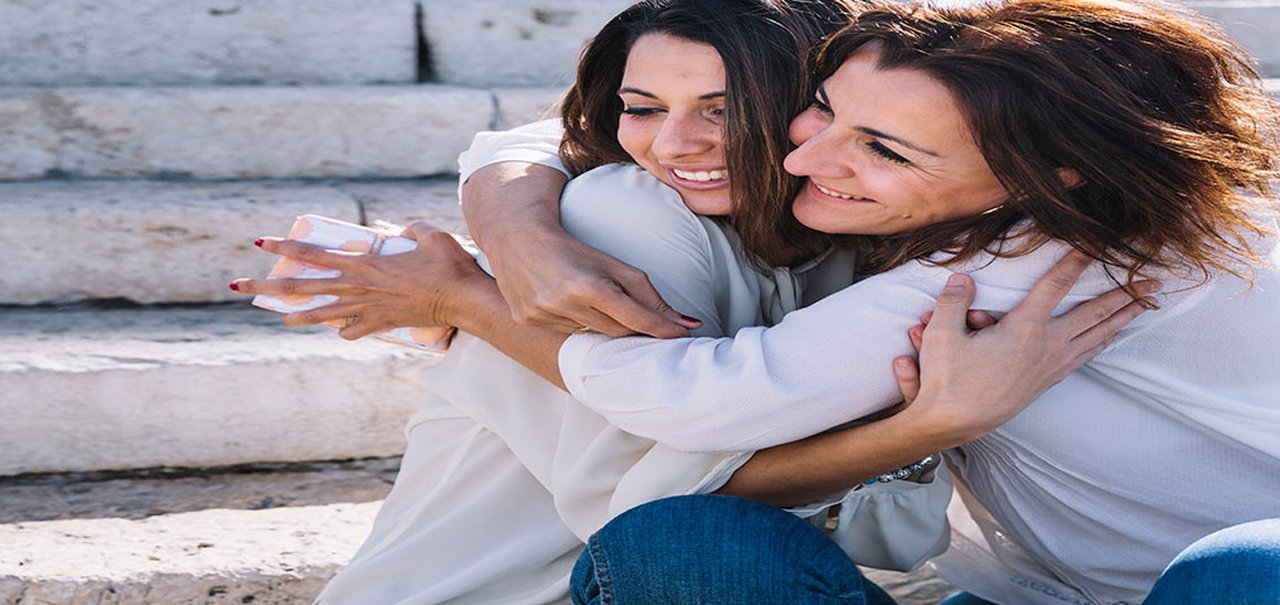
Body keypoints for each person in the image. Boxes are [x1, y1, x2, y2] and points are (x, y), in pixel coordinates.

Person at [251, 0, 1278, 603]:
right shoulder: (644, 216)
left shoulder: (1013, 257)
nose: (813, 155)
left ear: (1046, 173)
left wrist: (468, 294)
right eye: (823, 114)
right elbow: (544, 142)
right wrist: (509, 241)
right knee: (684, 544)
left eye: (877, 146)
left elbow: (699, 409)